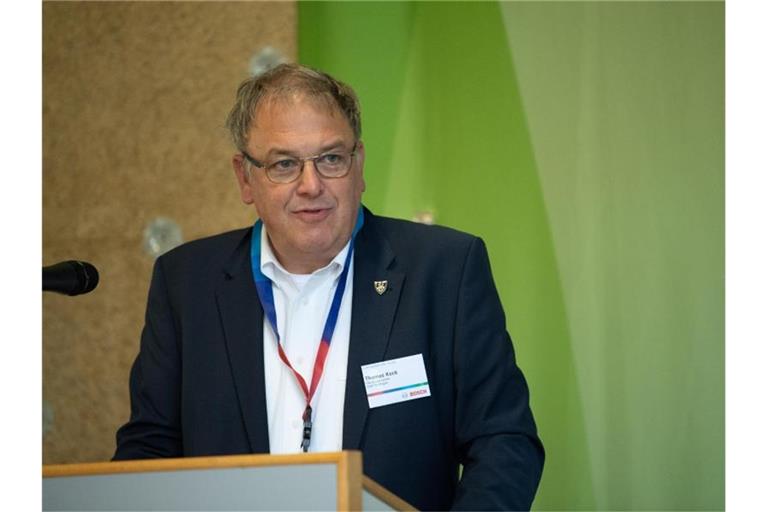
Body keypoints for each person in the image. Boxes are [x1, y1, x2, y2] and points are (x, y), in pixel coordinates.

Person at [114, 63, 544, 510]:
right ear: (246, 178)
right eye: (284, 164)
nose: (311, 185)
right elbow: (149, 450)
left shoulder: (444, 270)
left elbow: (504, 442)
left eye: (331, 159)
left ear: (358, 165)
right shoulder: (187, 283)